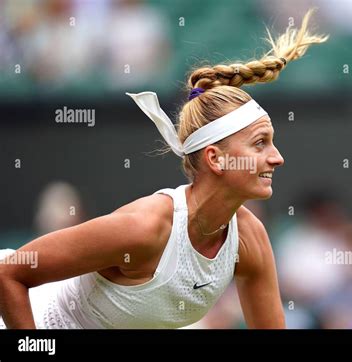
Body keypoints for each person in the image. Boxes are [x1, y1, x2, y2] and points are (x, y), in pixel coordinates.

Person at [0, 9, 327, 329]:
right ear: (216, 158)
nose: (277, 157)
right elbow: (9, 274)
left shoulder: (250, 240)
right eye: (260, 143)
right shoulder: (143, 229)